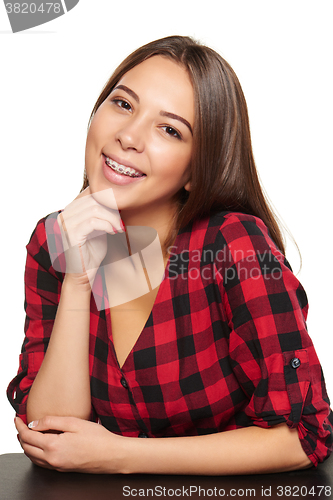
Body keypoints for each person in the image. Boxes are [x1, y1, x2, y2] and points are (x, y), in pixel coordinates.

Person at [8, 35, 333, 475]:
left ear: (196, 172)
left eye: (170, 129)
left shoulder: (232, 246)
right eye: (123, 105)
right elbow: (51, 434)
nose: (128, 136)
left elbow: (304, 436)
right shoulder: (55, 241)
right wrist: (78, 280)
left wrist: (121, 456)